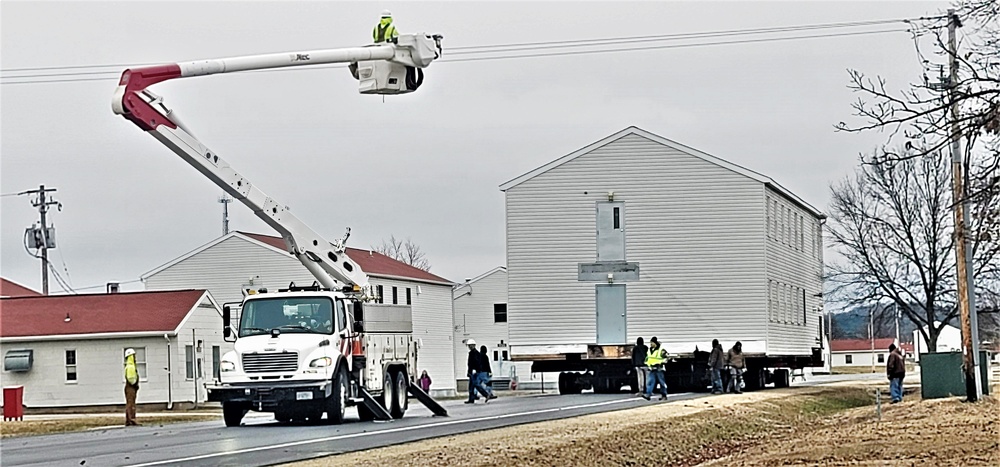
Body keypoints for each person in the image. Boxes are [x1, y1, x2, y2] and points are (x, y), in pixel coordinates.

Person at [465, 339, 491, 404]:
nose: (469, 347)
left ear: (473, 345)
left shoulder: (475, 354)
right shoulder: (473, 353)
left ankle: (486, 395)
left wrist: (474, 370)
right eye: (469, 345)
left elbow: (474, 363)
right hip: (473, 372)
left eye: (470, 345)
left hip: (475, 372)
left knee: (476, 385)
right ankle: (471, 399)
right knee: (471, 386)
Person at [124, 348, 140, 426]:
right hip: (131, 387)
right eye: (133, 356)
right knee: (131, 404)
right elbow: (131, 378)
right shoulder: (130, 366)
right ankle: (131, 419)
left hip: (130, 387)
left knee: (129, 403)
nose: (135, 357)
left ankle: (129, 420)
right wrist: (135, 384)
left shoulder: (130, 366)